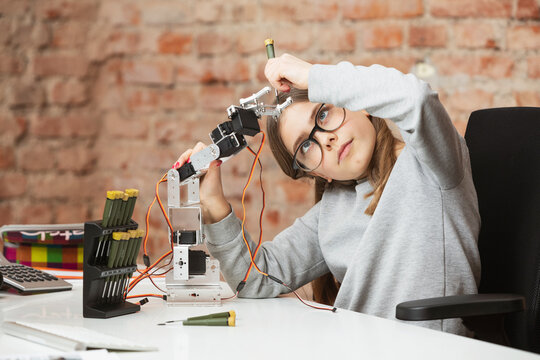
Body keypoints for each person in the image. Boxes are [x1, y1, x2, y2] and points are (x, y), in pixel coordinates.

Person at [173, 54, 481, 336]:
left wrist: (315, 77)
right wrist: (214, 204)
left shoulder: (432, 164)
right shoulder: (332, 211)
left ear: (359, 103)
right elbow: (255, 279)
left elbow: (417, 98)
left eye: (324, 114)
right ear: (317, 173)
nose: (327, 139)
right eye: (306, 147)